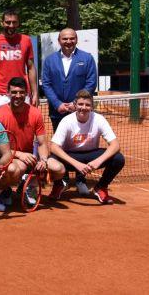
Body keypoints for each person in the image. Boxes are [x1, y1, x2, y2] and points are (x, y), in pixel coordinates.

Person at [0, 77, 64, 211]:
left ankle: (30, 185)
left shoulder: (35, 113)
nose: (17, 96)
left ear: (26, 93)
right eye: (14, 92)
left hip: (29, 157)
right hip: (7, 156)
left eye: (21, 92)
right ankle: (1, 192)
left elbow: (42, 143)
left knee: (59, 169)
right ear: (8, 93)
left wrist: (43, 160)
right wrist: (20, 154)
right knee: (15, 169)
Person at [41, 27, 98, 194]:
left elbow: (91, 82)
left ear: (76, 40)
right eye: (65, 39)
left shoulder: (87, 59)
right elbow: (46, 84)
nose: (68, 41)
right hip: (57, 110)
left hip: (80, 111)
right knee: (61, 145)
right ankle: (63, 179)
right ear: (59, 40)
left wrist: (75, 104)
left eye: (71, 38)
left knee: (81, 144)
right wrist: (57, 103)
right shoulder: (50, 60)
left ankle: (81, 179)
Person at [49, 90, 126, 204]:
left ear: (92, 107)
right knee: (52, 159)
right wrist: (77, 164)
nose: (83, 108)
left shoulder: (99, 119)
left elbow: (115, 145)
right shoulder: (66, 121)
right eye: (80, 104)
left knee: (118, 158)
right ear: (75, 105)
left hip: (91, 155)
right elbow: (54, 147)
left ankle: (101, 187)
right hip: (71, 157)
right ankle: (58, 185)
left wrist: (97, 162)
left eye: (87, 105)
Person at [0, 10, 38, 105]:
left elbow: (31, 68)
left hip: (22, 92)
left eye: (14, 22)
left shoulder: (26, 40)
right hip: (0, 94)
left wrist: (35, 93)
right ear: (2, 23)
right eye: (8, 22)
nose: (11, 25)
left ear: (18, 23)